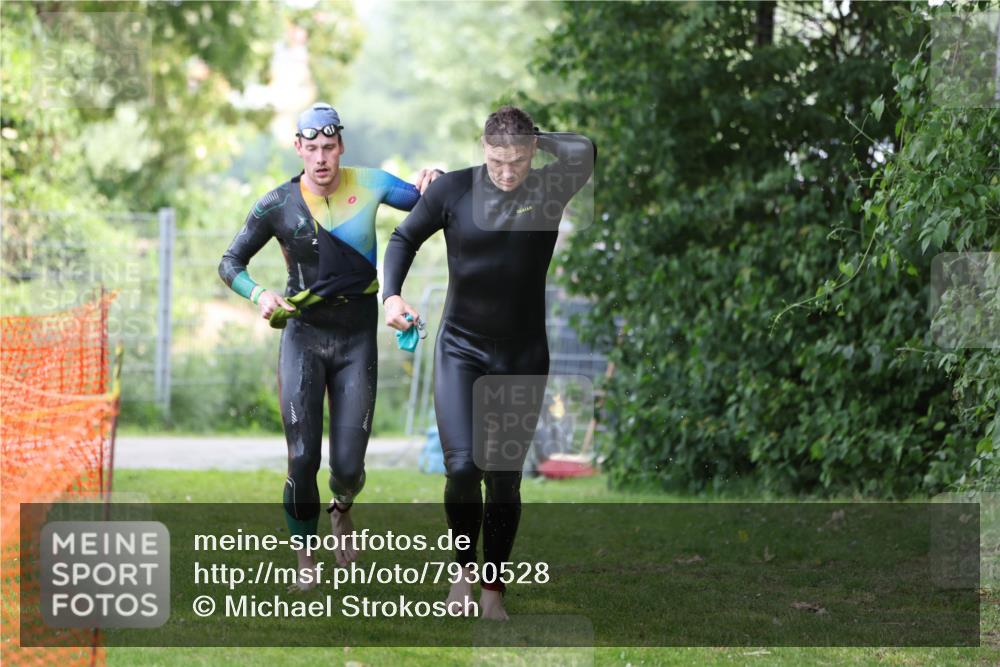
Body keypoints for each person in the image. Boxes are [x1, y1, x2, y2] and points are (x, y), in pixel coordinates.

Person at [382, 105, 595, 619]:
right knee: (462, 467)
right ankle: (462, 572)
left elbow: (585, 151)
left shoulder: (549, 188)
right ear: (483, 149)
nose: (506, 172)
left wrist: (535, 137)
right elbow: (403, 238)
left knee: (503, 476)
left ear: (532, 152)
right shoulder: (453, 190)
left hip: (523, 354)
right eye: (497, 160)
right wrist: (392, 296)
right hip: (461, 349)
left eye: (517, 160)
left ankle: (493, 593)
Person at [218, 103, 441, 590]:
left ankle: (342, 507)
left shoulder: (372, 183)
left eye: (329, 148)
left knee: (348, 467)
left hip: (356, 338)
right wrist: (259, 294)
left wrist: (436, 178)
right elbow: (230, 262)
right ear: (298, 148)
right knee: (302, 458)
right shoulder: (277, 204)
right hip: (303, 335)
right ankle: (306, 560)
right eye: (312, 148)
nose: (321, 158)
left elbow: (427, 201)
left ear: (341, 147)